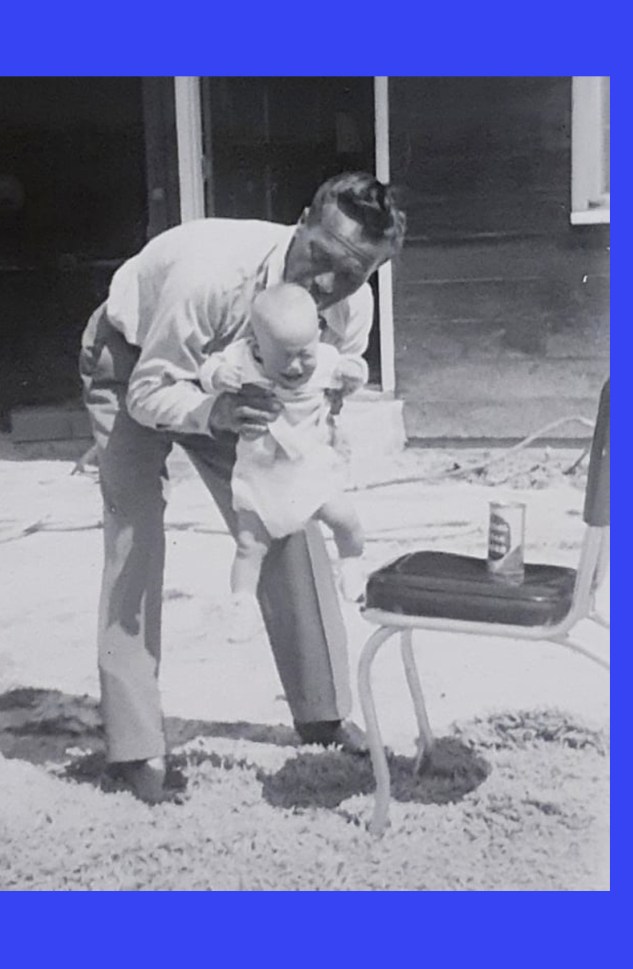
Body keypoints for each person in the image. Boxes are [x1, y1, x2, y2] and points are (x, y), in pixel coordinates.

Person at [78, 171, 406, 804]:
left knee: (285, 516)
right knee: (134, 535)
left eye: (353, 273)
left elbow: (317, 411)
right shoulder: (210, 273)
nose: (327, 285)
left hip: (246, 395)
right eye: (321, 259)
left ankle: (324, 709)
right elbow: (152, 390)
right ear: (301, 222)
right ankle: (135, 744)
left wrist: (303, 458)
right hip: (135, 363)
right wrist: (211, 414)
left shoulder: (348, 308)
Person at [198, 282, 367, 640]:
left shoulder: (324, 359)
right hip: (262, 472)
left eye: (303, 354)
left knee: (347, 520)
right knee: (249, 545)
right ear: (257, 347)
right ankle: (242, 605)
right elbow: (209, 369)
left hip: (309, 468)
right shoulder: (241, 359)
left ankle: (351, 564)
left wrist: (354, 376)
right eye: (283, 356)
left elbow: (354, 368)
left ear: (318, 336)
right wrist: (216, 376)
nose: (295, 366)